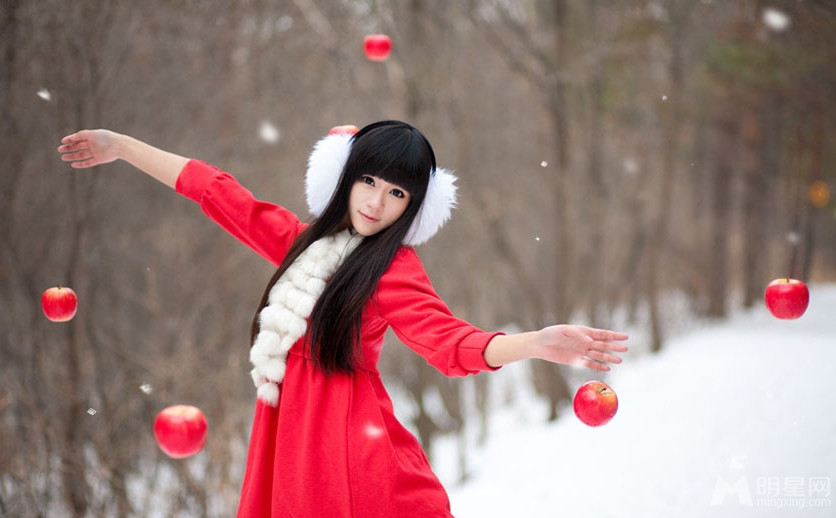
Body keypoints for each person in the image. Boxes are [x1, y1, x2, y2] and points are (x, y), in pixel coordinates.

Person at [57, 121, 629, 518]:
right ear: (346, 176)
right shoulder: (299, 242)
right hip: (289, 440)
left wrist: (534, 343)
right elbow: (215, 191)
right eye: (369, 181)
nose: (376, 202)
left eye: (397, 192)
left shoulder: (393, 269)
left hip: (345, 450)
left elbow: (449, 343)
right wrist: (124, 146)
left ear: (413, 208)